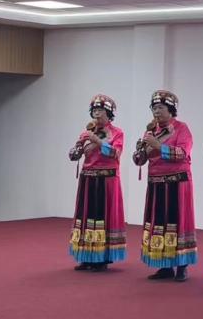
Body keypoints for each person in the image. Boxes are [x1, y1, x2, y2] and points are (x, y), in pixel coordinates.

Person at [132, 90, 196, 282]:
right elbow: (139, 161)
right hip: (156, 183)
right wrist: (140, 151)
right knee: (159, 223)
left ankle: (182, 266)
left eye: (160, 107)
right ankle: (164, 265)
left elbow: (183, 153)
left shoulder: (181, 128)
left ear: (171, 110)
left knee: (178, 222)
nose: (157, 111)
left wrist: (158, 146)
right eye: (154, 108)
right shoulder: (151, 132)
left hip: (177, 183)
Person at [67, 94, 126, 271]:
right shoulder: (86, 133)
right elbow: (74, 156)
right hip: (88, 179)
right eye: (94, 110)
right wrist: (78, 147)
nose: (96, 113)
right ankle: (86, 255)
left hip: (106, 181)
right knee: (86, 217)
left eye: (100, 110)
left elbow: (116, 153)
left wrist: (98, 142)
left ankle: (102, 258)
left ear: (108, 113)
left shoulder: (117, 133)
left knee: (102, 218)